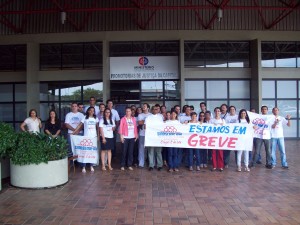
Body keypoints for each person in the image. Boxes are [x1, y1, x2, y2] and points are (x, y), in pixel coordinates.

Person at [73, 106, 99, 173]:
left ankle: (91, 166)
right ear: (88, 111)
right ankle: (83, 166)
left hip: (93, 137)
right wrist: (74, 132)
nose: (92, 112)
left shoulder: (95, 118)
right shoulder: (85, 117)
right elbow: (79, 125)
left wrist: (98, 136)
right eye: (90, 110)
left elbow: (97, 128)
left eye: (93, 111)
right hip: (86, 137)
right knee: (85, 152)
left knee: (92, 152)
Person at [145, 105, 164, 171]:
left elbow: (162, 127)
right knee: (151, 152)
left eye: (157, 109)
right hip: (150, 137)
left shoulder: (160, 117)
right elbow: (145, 126)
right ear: (152, 110)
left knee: (158, 152)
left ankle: (159, 165)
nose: (155, 110)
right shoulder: (148, 117)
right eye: (154, 109)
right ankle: (151, 165)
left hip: (158, 137)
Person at [210, 107, 225, 171]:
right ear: (214, 112)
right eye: (216, 111)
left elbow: (226, 130)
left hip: (220, 138)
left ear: (220, 112)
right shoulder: (211, 120)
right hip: (213, 138)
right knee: (213, 153)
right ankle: (214, 166)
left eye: (218, 111)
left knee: (220, 152)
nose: (217, 112)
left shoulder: (223, 120)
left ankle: (220, 166)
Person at [137, 103, 151, 168]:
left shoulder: (151, 115)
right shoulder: (140, 115)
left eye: (145, 106)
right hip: (142, 134)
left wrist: (143, 121)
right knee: (141, 149)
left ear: (148, 108)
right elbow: (139, 123)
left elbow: (152, 123)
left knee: (149, 149)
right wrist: (147, 121)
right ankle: (141, 163)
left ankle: (150, 162)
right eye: (143, 106)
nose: (143, 107)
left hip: (149, 135)